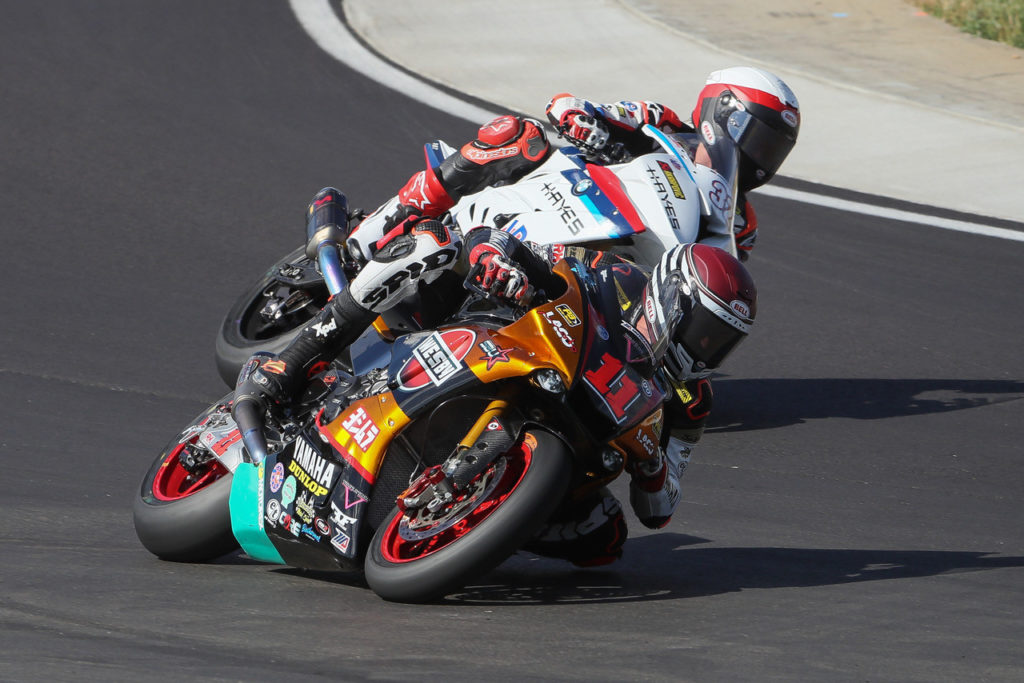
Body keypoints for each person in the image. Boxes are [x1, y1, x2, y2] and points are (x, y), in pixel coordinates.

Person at [235, 210, 757, 566]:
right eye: (705, 332)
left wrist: (652, 469)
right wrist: (496, 259)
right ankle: (296, 358)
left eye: (722, 344)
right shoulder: (614, 275)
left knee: (604, 539)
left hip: (573, 437)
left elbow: (660, 510)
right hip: (501, 340)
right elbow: (508, 240)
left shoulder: (691, 402)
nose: (707, 351)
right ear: (671, 298)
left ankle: (475, 525)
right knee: (433, 248)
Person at [346, 66, 800, 265]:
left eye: (774, 147)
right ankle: (383, 225)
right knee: (513, 135)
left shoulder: (741, 222)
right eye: (758, 136)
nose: (762, 154)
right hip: (567, 186)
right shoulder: (660, 121)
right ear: (724, 112)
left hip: (623, 250)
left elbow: (711, 274)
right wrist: (587, 124)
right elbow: (567, 104)